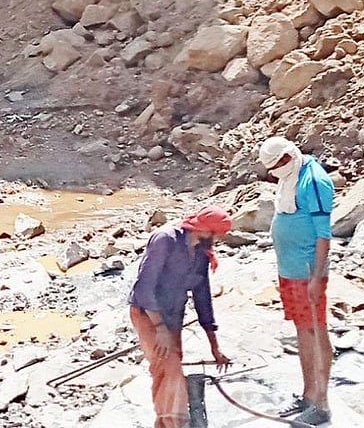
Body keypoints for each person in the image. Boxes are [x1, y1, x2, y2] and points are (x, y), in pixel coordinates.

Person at [128, 204, 233, 428]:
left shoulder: (201, 252)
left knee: (168, 368)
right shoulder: (165, 240)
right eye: (214, 234)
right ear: (202, 229)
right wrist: (160, 329)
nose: (216, 239)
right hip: (148, 312)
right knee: (170, 368)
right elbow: (143, 288)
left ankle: (165, 423)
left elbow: (202, 296)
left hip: (174, 312)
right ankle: (175, 424)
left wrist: (214, 346)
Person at [259, 136, 335, 427]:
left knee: (316, 330)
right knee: (302, 330)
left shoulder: (313, 181)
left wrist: (316, 277)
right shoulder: (290, 178)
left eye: (277, 165)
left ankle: (322, 404)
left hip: (307, 271)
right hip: (290, 270)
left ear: (287, 158)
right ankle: (308, 394)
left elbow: (323, 234)